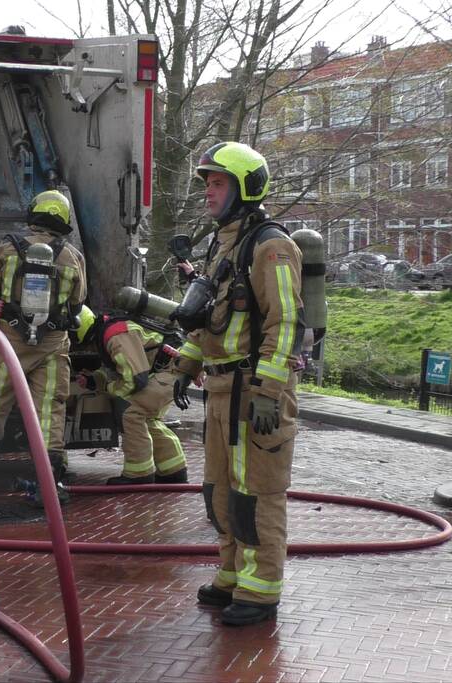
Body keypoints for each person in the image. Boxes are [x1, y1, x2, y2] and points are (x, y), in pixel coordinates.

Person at [172, 141, 304, 626]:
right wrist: (185, 367)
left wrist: (269, 390)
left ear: (245, 188)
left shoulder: (270, 245)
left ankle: (260, 589)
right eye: (207, 183)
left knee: (257, 494)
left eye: (218, 183)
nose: (209, 192)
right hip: (221, 389)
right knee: (219, 490)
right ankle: (231, 573)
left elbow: (286, 323)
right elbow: (208, 321)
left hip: (254, 393)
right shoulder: (222, 244)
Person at [0, 190, 87, 486]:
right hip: (52, 344)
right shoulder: (72, 256)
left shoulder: (8, 248)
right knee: (50, 407)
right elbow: (77, 304)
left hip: (9, 341)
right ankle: (49, 481)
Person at [74, 305, 188, 485]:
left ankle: (139, 473)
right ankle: (173, 470)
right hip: (172, 371)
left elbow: (135, 380)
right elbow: (120, 368)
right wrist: (94, 381)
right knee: (147, 416)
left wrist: (110, 390)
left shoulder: (115, 335)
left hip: (172, 371)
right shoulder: (108, 332)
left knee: (130, 410)